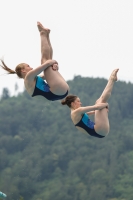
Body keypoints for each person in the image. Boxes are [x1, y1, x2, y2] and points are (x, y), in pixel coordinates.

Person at [0, 22, 69, 101]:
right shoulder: (28, 78)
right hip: (57, 91)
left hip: (59, 92)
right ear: (23, 70)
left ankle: (46, 35)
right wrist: (53, 62)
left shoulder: (33, 79)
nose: (31, 67)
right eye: (28, 66)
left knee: (48, 63)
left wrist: (54, 67)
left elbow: (48, 72)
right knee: (45, 61)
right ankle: (42, 33)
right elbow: (44, 65)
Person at [61, 69, 119, 138]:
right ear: (73, 103)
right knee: (102, 101)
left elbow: (90, 112)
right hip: (99, 130)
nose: (80, 103)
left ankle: (112, 79)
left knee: (99, 101)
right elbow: (96, 107)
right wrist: (106, 105)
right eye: (78, 101)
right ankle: (111, 79)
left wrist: (98, 112)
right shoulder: (77, 111)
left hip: (99, 131)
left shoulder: (75, 114)